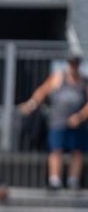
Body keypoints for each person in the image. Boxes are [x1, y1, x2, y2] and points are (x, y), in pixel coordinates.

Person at [21, 54, 88, 190]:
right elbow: (42, 91)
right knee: (56, 150)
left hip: (78, 123)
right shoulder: (58, 77)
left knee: (77, 151)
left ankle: (73, 180)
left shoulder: (84, 81)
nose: (73, 67)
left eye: (75, 64)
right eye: (71, 63)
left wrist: (80, 116)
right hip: (58, 121)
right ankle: (55, 180)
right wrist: (32, 104)